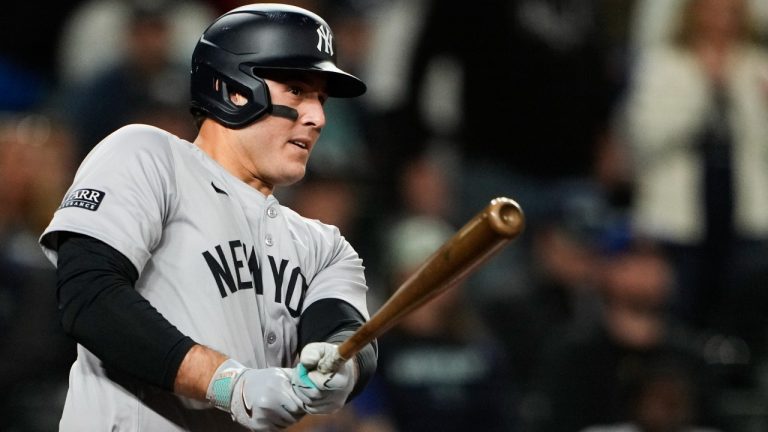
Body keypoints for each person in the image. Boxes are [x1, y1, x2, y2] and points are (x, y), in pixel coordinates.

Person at [38, 4, 378, 431]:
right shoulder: (150, 156)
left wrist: (339, 367)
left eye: (321, 100)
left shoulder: (326, 246)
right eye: (297, 91)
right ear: (235, 89)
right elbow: (88, 298)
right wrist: (228, 384)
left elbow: (347, 331)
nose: (318, 117)